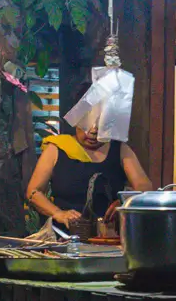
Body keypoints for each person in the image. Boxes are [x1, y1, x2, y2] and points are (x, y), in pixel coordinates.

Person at [25, 83, 154, 229]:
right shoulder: (57, 148)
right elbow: (33, 192)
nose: (93, 131)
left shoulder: (120, 150)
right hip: (65, 237)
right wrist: (59, 213)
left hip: (108, 238)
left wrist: (125, 200)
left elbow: (145, 188)